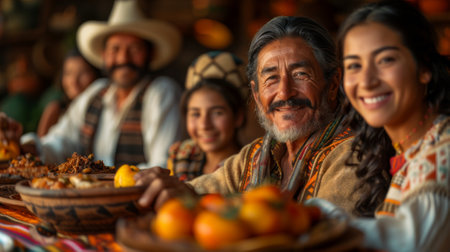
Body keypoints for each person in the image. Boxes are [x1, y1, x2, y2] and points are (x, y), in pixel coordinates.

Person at [135, 16, 372, 215]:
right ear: (257, 95)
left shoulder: (353, 154)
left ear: (332, 85)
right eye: (270, 78)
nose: (284, 93)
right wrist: (168, 189)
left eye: (300, 74)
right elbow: (199, 192)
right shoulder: (255, 156)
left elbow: (325, 234)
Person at [309, 1, 449, 251]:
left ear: (424, 67)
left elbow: (409, 243)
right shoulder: (406, 150)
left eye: (385, 60)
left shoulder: (443, 150)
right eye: (354, 65)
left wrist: (317, 218)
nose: (367, 80)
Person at [0, 0, 183, 168]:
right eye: (115, 49)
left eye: (134, 49)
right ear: (104, 55)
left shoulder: (161, 93)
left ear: (149, 54)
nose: (123, 58)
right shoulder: (96, 93)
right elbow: (60, 142)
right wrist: (21, 146)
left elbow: (163, 166)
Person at [168, 51, 247, 181]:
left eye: (217, 113)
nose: (204, 125)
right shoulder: (182, 156)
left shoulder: (248, 167)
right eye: (195, 114)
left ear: (238, 116)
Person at [37, 47, 101, 137]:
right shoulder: (55, 111)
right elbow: (41, 147)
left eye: (82, 73)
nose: (74, 81)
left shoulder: (101, 111)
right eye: (68, 73)